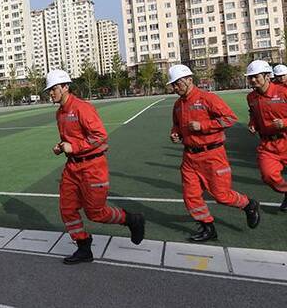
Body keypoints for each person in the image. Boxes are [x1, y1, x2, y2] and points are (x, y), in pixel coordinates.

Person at [45, 69, 145, 264]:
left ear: (66, 87)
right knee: (67, 209)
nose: (51, 93)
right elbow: (71, 140)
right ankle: (83, 246)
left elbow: (100, 136)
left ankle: (131, 219)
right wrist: (62, 147)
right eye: (49, 90)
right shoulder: (60, 113)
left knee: (95, 213)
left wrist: (74, 147)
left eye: (54, 88)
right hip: (72, 167)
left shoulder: (83, 108)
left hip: (93, 167)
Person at [167, 65, 260, 242]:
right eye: (173, 85)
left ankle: (249, 204)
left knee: (221, 195)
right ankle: (208, 228)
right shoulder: (178, 105)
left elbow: (230, 118)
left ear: (189, 80)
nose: (175, 88)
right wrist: (175, 133)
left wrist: (203, 126)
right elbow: (177, 125)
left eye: (177, 83)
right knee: (190, 196)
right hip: (189, 158)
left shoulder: (207, 98)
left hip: (212, 155)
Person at [246, 60, 287, 211]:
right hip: (268, 145)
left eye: (256, 76)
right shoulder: (251, 98)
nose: (252, 80)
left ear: (267, 76)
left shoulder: (284, 92)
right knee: (268, 176)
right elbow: (254, 114)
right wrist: (253, 124)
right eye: (250, 77)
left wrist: (284, 122)